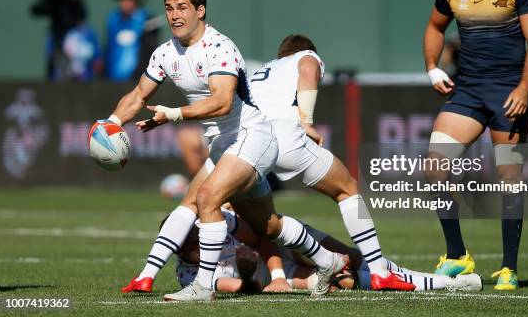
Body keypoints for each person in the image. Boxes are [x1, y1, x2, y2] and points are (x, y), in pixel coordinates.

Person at [110, 0, 346, 302]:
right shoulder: (165, 53)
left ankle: (202, 287)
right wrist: (110, 122)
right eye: (169, 8)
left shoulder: (220, 47)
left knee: (207, 198)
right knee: (266, 226)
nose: (174, 15)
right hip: (225, 143)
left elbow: (222, 102)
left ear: (200, 10)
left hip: (253, 135)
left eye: (182, 8)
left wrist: (175, 114)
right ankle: (327, 260)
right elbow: (138, 95)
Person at [127, 33, 417, 295]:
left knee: (241, 217)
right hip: (280, 138)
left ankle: (147, 276)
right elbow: (308, 68)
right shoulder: (305, 55)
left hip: (243, 144)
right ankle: (379, 272)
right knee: (347, 189)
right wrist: (307, 121)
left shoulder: (264, 70)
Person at [422, 0, 528, 290]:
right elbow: (434, 27)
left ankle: (509, 267)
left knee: (509, 177)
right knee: (434, 169)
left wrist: (524, 88)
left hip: (509, 93)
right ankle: (458, 256)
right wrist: (431, 67)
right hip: (468, 92)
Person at [173, 212, 483, 293]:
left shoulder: (214, 225)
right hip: (269, 276)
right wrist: (247, 272)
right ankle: (451, 283)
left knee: (354, 256)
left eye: (201, 237)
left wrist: (277, 272)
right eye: (195, 245)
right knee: (347, 280)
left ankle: (413, 276)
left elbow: (263, 236)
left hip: (283, 248)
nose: (204, 244)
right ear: (183, 251)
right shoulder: (188, 275)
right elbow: (241, 287)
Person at [104, 0, 161, 81]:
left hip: (137, 80)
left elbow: (150, 51)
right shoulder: (113, 19)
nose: (125, 3)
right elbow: (108, 48)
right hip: (112, 78)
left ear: (137, 1)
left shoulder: (147, 20)